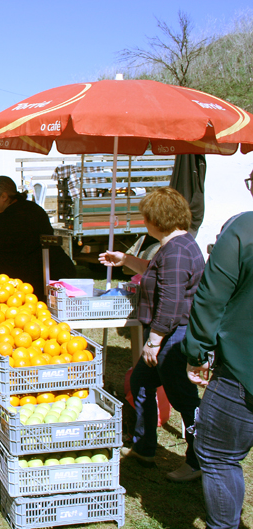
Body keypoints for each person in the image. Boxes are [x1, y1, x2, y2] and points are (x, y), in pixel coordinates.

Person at [99, 186, 204, 483]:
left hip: (174, 336)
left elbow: (171, 302)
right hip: (170, 333)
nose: (144, 222)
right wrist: (124, 260)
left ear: (156, 219)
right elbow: (153, 270)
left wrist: (154, 341)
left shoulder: (177, 251)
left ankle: (198, 460)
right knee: (143, 384)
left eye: (146, 217)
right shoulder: (174, 247)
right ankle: (145, 447)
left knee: (184, 399)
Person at [182, 170, 253, 528]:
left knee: (218, 455)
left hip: (242, 370)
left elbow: (209, 300)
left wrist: (197, 353)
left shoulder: (242, 230)